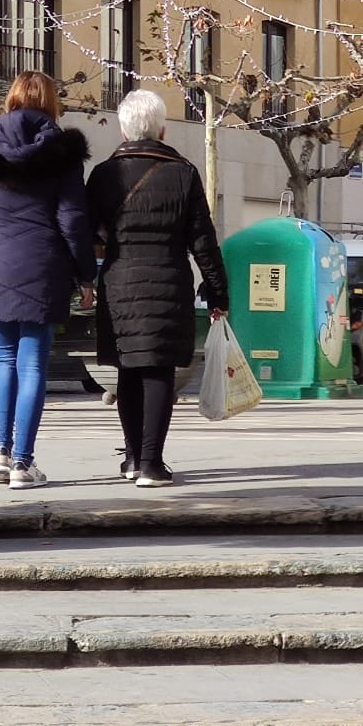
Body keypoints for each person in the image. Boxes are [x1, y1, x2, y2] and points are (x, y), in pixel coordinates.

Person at [84, 89, 229, 487]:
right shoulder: (183, 173)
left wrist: (84, 275)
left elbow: (87, 233)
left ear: (123, 129)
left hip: (119, 282)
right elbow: (203, 240)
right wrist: (218, 292)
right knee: (158, 371)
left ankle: (132, 458)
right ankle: (151, 464)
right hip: (168, 279)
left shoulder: (102, 174)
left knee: (127, 370)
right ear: (162, 129)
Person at [0, 72, 96, 490]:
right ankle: (23, 462)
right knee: (33, 362)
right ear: (52, 104)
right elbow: (71, 218)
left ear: (11, 100)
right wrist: (86, 274)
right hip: (43, 266)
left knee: (4, 360)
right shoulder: (63, 153)